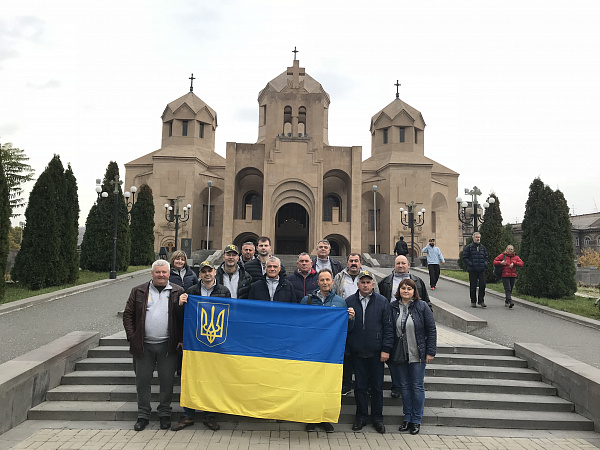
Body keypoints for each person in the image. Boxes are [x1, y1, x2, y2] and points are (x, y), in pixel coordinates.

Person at [122, 260, 185, 432]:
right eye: (158, 272)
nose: (161, 275)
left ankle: (164, 414)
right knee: (143, 381)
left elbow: (182, 318)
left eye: (164, 272)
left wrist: (179, 338)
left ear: (169, 273)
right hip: (144, 346)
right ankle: (143, 415)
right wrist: (132, 336)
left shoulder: (177, 291)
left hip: (167, 345)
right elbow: (128, 314)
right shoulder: (139, 291)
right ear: (152, 273)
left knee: (167, 382)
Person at [171, 261, 229, 432]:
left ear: (215, 272)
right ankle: (188, 415)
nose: (207, 274)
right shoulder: (191, 291)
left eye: (209, 271)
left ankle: (209, 415)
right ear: (200, 274)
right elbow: (182, 317)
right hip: (194, 342)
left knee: (211, 379)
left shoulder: (224, 292)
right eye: (203, 271)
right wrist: (179, 304)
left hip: (215, 343)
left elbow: (228, 316)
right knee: (191, 377)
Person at [300, 268, 356, 433]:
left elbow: (347, 328)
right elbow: (300, 323)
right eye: (322, 280)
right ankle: (311, 418)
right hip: (312, 350)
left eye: (328, 280)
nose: (325, 282)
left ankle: (325, 418)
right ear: (317, 282)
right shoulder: (308, 300)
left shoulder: (340, 302)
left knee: (328, 385)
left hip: (331, 351)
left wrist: (351, 318)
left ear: (332, 282)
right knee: (311, 385)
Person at [345, 270, 393, 434]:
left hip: (376, 353)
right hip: (357, 352)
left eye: (368, 282)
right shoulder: (349, 301)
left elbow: (388, 327)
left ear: (373, 284)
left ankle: (378, 419)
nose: (365, 285)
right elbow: (346, 328)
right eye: (362, 282)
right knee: (360, 387)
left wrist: (386, 349)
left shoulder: (382, 301)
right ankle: (361, 417)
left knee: (377, 388)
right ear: (357, 284)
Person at [378, 254, 431, 398]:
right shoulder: (385, 282)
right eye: (398, 263)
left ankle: (412, 385)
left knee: (411, 358)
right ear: (394, 266)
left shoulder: (418, 281)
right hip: (391, 326)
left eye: (403, 263)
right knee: (394, 359)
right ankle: (397, 385)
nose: (400, 266)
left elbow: (426, 302)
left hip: (412, 327)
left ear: (408, 265)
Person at [389, 278, 436, 435]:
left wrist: (430, 351)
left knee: (416, 387)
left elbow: (431, 330)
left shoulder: (422, 307)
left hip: (417, 354)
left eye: (409, 288)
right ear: (399, 290)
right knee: (404, 386)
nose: (406, 291)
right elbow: (389, 330)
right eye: (403, 288)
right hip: (400, 354)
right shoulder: (393, 307)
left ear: (414, 291)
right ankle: (407, 417)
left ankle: (416, 419)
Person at [332, 253, 379, 395]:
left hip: (368, 318)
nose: (353, 263)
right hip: (346, 319)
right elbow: (334, 294)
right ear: (347, 262)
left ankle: (369, 384)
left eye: (356, 261)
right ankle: (346, 383)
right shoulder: (339, 277)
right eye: (351, 261)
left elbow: (376, 294)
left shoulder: (368, 276)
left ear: (361, 263)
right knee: (347, 353)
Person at [462, 232, 488, 308]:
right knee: (473, 286)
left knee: (482, 285)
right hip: (472, 269)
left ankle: (481, 301)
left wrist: (485, 264)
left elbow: (486, 257)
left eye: (479, 237)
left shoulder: (482, 248)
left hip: (481, 269)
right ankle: (473, 301)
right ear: (473, 238)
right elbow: (465, 257)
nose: (478, 238)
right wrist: (471, 264)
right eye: (476, 237)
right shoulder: (469, 247)